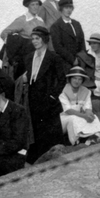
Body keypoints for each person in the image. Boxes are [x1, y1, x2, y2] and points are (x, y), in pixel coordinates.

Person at [25, 25, 66, 162]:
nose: (34, 41)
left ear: (44, 39)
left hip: (49, 102)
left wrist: (53, 96)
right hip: (33, 101)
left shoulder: (54, 57)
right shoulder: (29, 57)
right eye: (33, 39)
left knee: (50, 134)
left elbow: (62, 79)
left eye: (37, 38)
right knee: (36, 132)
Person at [0, 0, 46, 80]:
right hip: (25, 58)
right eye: (33, 4)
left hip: (39, 56)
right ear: (28, 6)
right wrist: (13, 46)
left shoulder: (41, 21)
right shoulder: (22, 20)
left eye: (37, 4)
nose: (35, 7)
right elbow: (4, 33)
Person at [59, 66, 100, 145]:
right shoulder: (63, 91)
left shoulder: (86, 91)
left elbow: (88, 107)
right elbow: (68, 110)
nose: (77, 81)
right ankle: (76, 142)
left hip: (79, 116)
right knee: (73, 118)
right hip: (63, 119)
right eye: (74, 78)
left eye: (80, 79)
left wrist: (88, 114)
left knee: (93, 117)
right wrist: (84, 116)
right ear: (70, 79)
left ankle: (94, 138)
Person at [50, 0, 86, 68]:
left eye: (70, 7)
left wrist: (82, 58)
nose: (69, 10)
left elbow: (82, 43)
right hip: (64, 62)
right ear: (61, 9)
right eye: (66, 7)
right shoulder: (56, 26)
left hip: (80, 61)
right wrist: (72, 60)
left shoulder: (76, 24)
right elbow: (58, 47)